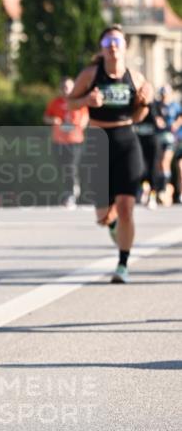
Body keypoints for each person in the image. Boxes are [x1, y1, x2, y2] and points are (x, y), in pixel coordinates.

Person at [67, 25, 153, 283]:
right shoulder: (91, 74)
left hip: (126, 141)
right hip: (97, 141)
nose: (113, 45)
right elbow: (70, 102)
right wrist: (86, 102)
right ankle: (114, 226)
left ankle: (123, 264)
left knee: (126, 208)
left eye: (117, 41)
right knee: (103, 215)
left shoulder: (136, 78)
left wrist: (144, 103)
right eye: (107, 41)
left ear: (125, 46)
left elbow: (139, 116)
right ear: (102, 48)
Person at [43, 76, 89, 208]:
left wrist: (77, 125)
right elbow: (46, 118)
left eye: (68, 87)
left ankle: (71, 194)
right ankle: (70, 190)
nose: (66, 90)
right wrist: (53, 121)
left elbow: (85, 119)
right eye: (64, 87)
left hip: (75, 141)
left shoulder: (79, 102)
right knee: (63, 168)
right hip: (58, 141)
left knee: (70, 166)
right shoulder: (55, 102)